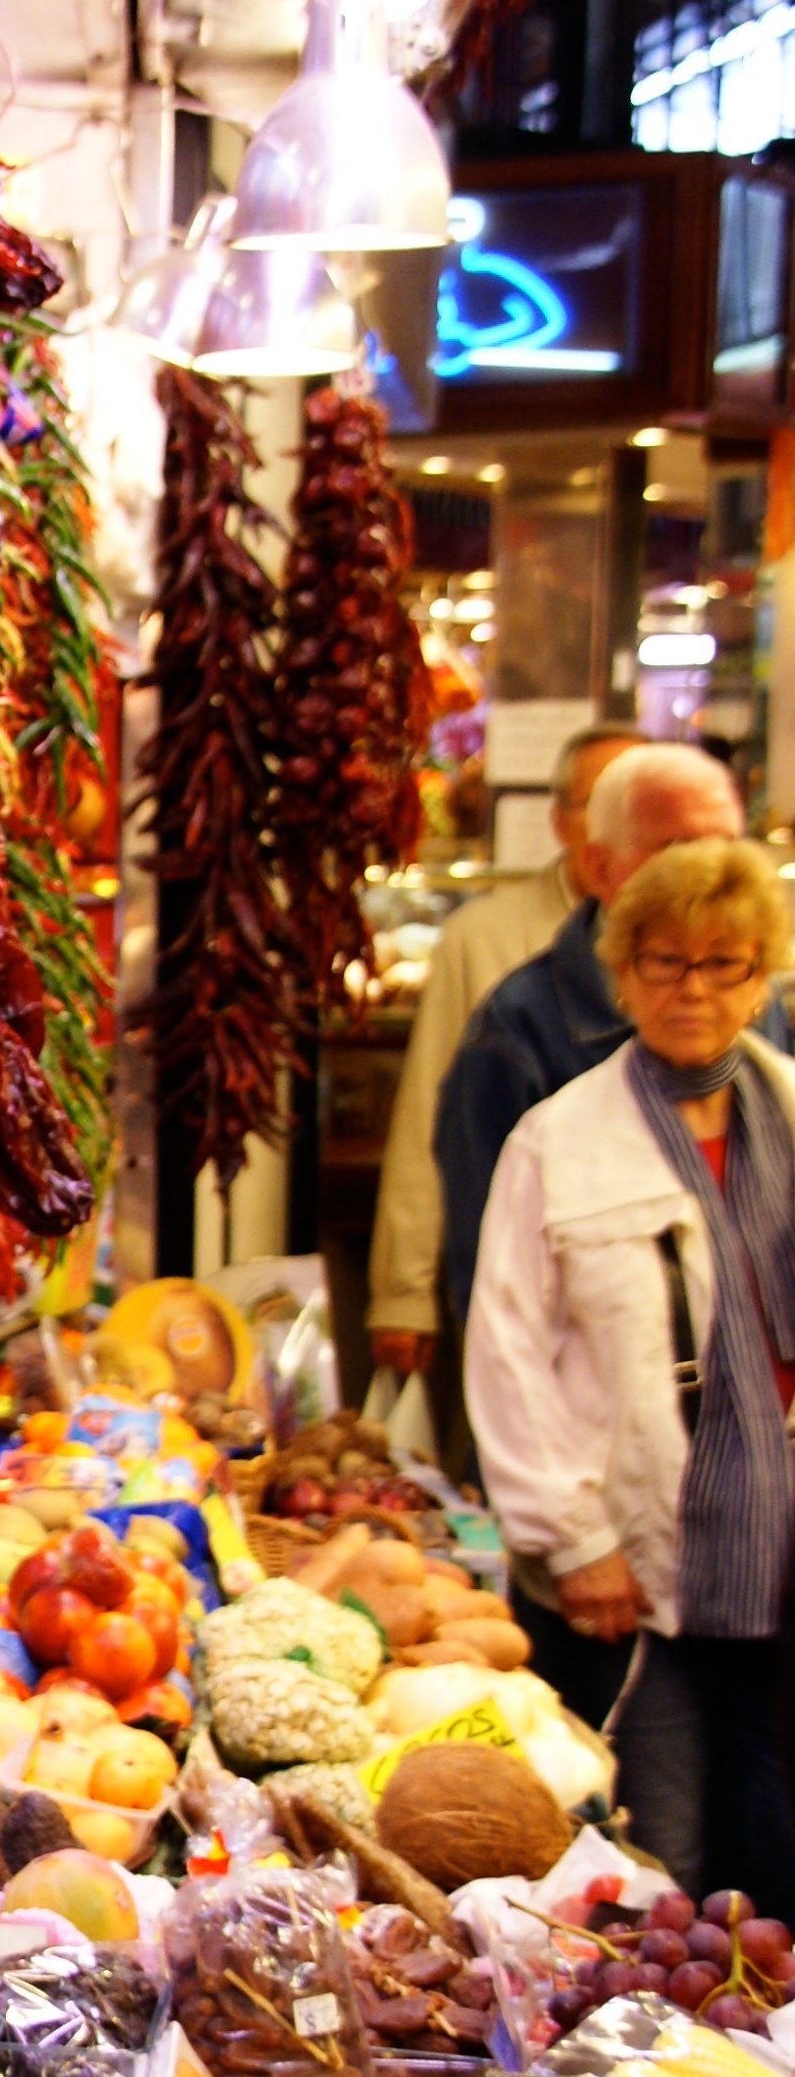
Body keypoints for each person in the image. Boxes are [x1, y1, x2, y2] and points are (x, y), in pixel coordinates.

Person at [465, 839, 795, 1914]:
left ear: (762, 977)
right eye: (666, 961)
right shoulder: (558, 1140)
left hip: (780, 1550)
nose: (694, 988)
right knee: (661, 1851)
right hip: (636, 1567)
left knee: (777, 1831)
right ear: (624, 972)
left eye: (723, 963)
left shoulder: (791, 1111)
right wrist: (574, 1536)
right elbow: (508, 1351)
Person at [435, 741, 758, 1329]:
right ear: (602, 868)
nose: (711, 875)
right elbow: (497, 1299)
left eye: (726, 847)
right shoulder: (518, 1029)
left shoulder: (763, 1007)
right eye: (678, 848)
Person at [367, 720, 634, 1383]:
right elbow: (427, 1116)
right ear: (560, 822)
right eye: (599, 803)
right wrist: (404, 1293)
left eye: (637, 804)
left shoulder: (694, 955)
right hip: (510, 1288)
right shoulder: (483, 937)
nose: (618, 826)